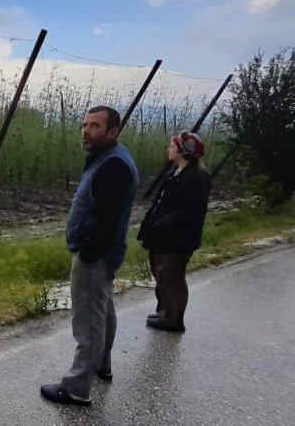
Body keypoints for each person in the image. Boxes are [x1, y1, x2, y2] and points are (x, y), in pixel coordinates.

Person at [40, 106, 138, 407]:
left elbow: (106, 219)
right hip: (102, 251)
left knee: (89, 320)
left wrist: (87, 252)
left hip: (96, 254)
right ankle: (101, 366)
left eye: (95, 125)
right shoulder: (107, 159)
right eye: (84, 124)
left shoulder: (114, 166)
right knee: (103, 311)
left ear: (113, 131)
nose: (86, 130)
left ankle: (77, 387)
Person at [137, 132, 211, 332]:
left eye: (172, 145)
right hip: (164, 236)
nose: (168, 149)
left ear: (183, 151)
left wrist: (162, 223)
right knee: (161, 274)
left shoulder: (196, 176)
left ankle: (173, 320)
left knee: (172, 277)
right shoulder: (177, 172)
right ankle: (165, 312)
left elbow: (190, 211)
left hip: (178, 238)